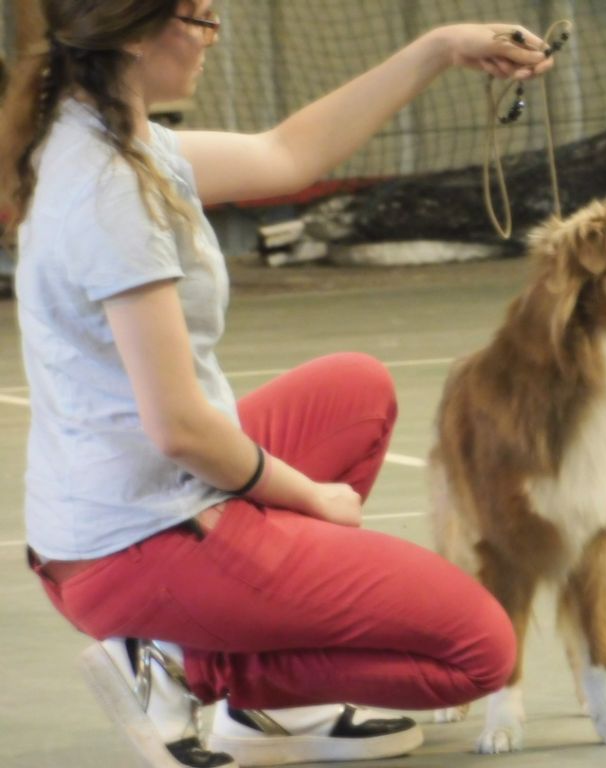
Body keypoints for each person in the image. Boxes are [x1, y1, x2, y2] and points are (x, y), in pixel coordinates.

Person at [0, 2, 554, 767]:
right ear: (134, 31)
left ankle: (272, 715)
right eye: (198, 17)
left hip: (128, 505)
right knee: (479, 651)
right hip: (134, 541)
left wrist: (441, 48)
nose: (208, 37)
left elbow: (287, 153)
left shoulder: (114, 138)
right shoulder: (108, 192)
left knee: (354, 390)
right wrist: (308, 496)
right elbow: (181, 429)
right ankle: (181, 667)